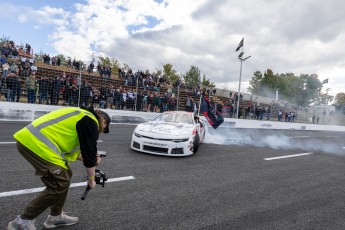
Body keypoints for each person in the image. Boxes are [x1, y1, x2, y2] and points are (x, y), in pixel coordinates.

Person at [7, 106, 111, 230]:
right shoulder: (91, 122)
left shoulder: (81, 115)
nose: (100, 132)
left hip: (35, 141)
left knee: (66, 173)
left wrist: (90, 158)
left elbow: (71, 150)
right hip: (36, 143)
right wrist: (91, 180)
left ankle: (55, 217)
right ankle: (22, 222)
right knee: (59, 183)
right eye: (103, 129)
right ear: (103, 122)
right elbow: (89, 159)